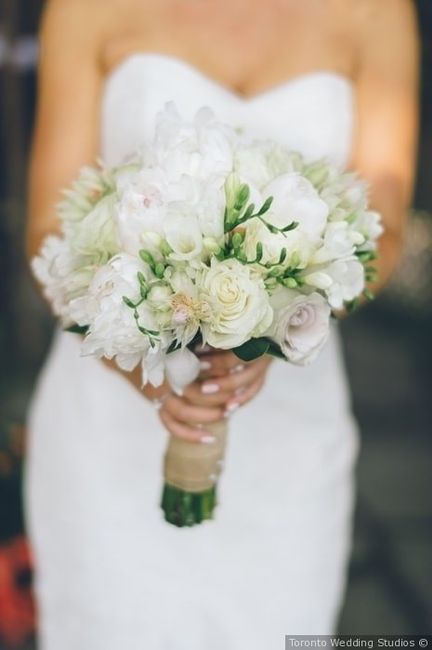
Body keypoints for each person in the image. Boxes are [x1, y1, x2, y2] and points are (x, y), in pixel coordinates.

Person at [25, 0, 418, 647]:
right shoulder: (83, 8)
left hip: (289, 445)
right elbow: (49, 229)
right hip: (109, 429)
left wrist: (278, 322)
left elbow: (388, 222)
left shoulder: (376, 12)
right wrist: (146, 373)